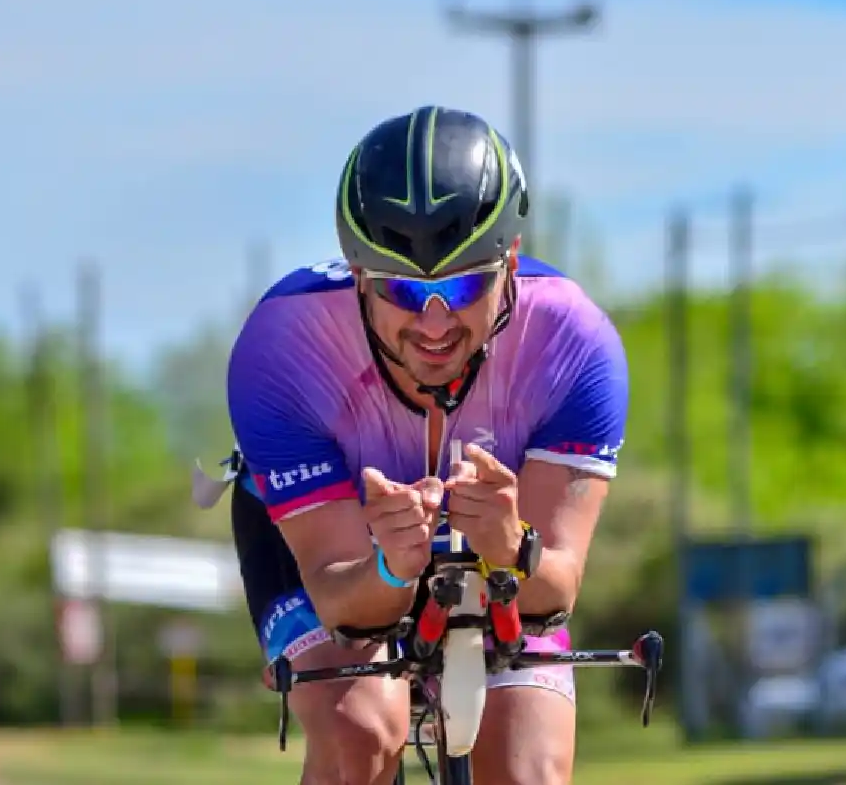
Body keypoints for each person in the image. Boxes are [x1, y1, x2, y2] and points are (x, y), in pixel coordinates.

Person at [225, 106, 628, 785]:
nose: (434, 321)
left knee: (525, 772)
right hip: (334, 556)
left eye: (466, 284)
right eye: (404, 291)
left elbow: (555, 588)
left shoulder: (574, 344)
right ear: (359, 278)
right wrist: (389, 569)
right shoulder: (281, 347)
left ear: (512, 261)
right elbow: (344, 604)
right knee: (361, 735)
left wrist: (512, 544)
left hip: (502, 556)